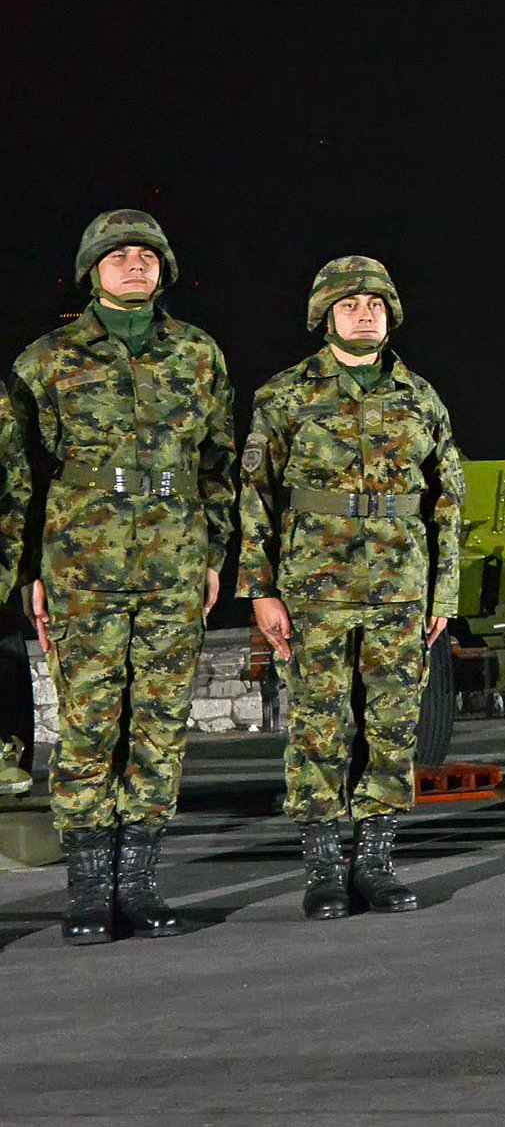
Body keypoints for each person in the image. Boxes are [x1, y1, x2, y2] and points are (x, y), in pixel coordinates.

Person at [2, 210, 235, 943]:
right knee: (90, 723)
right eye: (118, 255)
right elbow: (18, 476)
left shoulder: (198, 355)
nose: (134, 264)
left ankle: (139, 884)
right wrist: (26, 569)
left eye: (146, 255)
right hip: (81, 566)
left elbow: (219, 465)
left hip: (172, 562)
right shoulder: (46, 361)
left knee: (161, 725)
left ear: (164, 269)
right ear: (90, 270)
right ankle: (88, 890)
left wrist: (212, 555)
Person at [240, 256, 464, 918]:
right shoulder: (285, 395)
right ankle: (322, 871)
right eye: (349, 304)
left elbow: (449, 501)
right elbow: (252, 496)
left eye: (375, 303)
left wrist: (442, 597)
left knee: (393, 727)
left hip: (400, 588)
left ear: (391, 314)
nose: (364, 313)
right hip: (313, 590)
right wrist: (260, 588)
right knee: (318, 729)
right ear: (325, 315)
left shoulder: (420, 397)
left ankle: (376, 864)